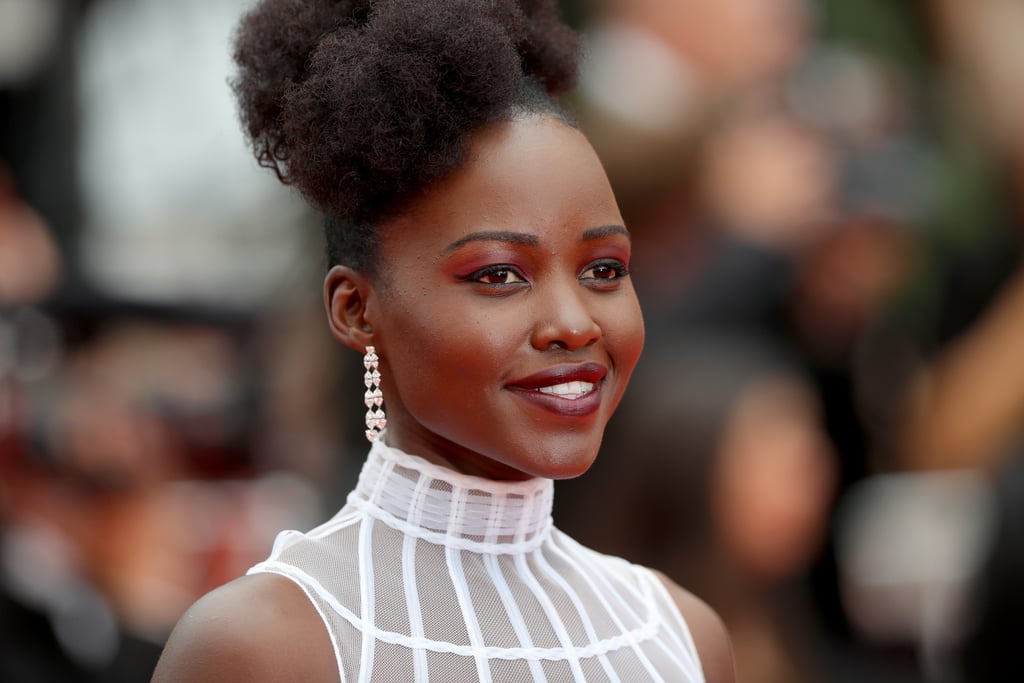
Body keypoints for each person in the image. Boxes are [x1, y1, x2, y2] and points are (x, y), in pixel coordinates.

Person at [152, 0, 734, 680]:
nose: (575, 323)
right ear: (356, 309)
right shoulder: (265, 645)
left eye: (603, 269)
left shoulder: (681, 636)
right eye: (498, 275)